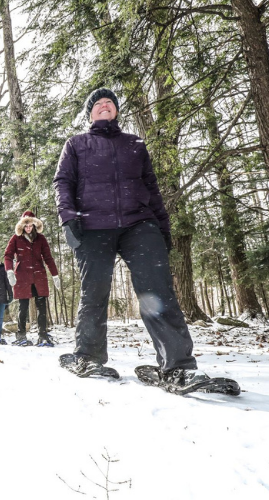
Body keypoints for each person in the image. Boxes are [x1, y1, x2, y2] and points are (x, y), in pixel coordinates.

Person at [53, 87, 205, 388]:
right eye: (98, 103)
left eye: (110, 102)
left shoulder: (134, 144)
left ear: (117, 111)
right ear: (90, 113)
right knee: (94, 292)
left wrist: (163, 227)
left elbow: (152, 187)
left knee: (158, 291)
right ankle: (88, 356)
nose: (105, 105)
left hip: (140, 223)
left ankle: (177, 366)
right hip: (93, 225)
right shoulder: (76, 144)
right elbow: (62, 182)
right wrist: (68, 219)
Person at [4, 211, 60, 346]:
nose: (28, 228)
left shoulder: (41, 239)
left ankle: (42, 335)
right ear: (22, 226)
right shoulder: (16, 239)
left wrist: (55, 274)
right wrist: (9, 271)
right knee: (23, 307)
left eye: (31, 226)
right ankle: (21, 335)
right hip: (22, 277)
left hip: (39, 276)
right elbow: (8, 255)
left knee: (41, 306)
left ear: (35, 225)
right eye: (26, 226)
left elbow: (48, 257)